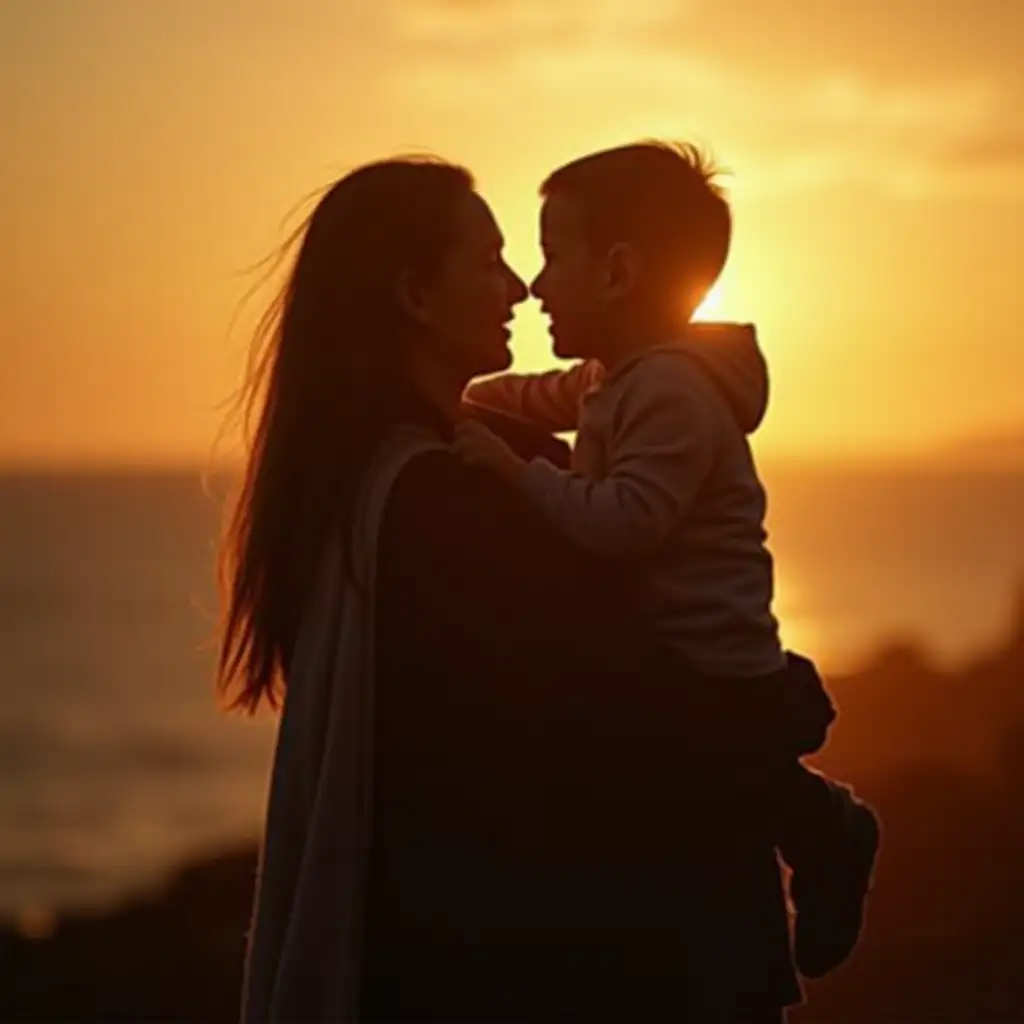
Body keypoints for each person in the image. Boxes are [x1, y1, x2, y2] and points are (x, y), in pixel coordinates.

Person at [217, 155, 835, 1022]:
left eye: (532, 259)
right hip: (638, 960)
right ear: (415, 297)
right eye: (492, 262)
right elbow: (625, 713)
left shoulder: (405, 479)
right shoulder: (450, 510)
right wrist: (786, 705)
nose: (518, 289)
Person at [459, 140, 879, 979]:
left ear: (618, 273)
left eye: (551, 256)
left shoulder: (673, 393)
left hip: (713, 666)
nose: (536, 285)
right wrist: (458, 397)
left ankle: (834, 827)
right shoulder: (614, 378)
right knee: (720, 777)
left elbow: (626, 523)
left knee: (718, 774)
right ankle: (809, 817)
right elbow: (537, 394)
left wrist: (514, 471)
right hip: (675, 656)